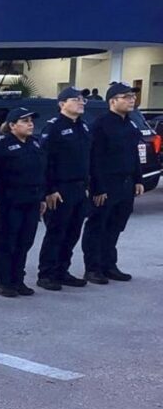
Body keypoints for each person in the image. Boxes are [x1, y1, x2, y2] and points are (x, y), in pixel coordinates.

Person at [81, 81, 145, 284]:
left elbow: (134, 153)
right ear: (113, 101)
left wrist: (138, 179)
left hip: (126, 183)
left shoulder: (131, 123)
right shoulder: (101, 125)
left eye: (133, 97)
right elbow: (94, 158)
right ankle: (93, 268)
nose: (132, 100)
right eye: (127, 97)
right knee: (98, 226)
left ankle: (109, 264)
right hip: (106, 184)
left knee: (115, 226)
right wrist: (97, 187)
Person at [36, 87, 92, 291]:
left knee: (72, 232)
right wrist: (49, 189)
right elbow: (45, 161)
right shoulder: (54, 127)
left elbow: (86, 159)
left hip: (79, 188)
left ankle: (62, 270)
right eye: (76, 99)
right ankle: (47, 273)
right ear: (62, 104)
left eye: (82, 100)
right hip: (60, 189)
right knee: (56, 232)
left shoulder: (83, 127)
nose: (81, 102)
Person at [0, 107, 47, 297]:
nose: (30, 124)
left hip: (31, 200)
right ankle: (3, 281)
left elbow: (41, 172)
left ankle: (17, 279)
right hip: (9, 201)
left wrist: (41, 197)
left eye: (31, 120)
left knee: (25, 241)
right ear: (12, 125)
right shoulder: (1, 145)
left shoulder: (34, 143)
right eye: (25, 121)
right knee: (7, 242)